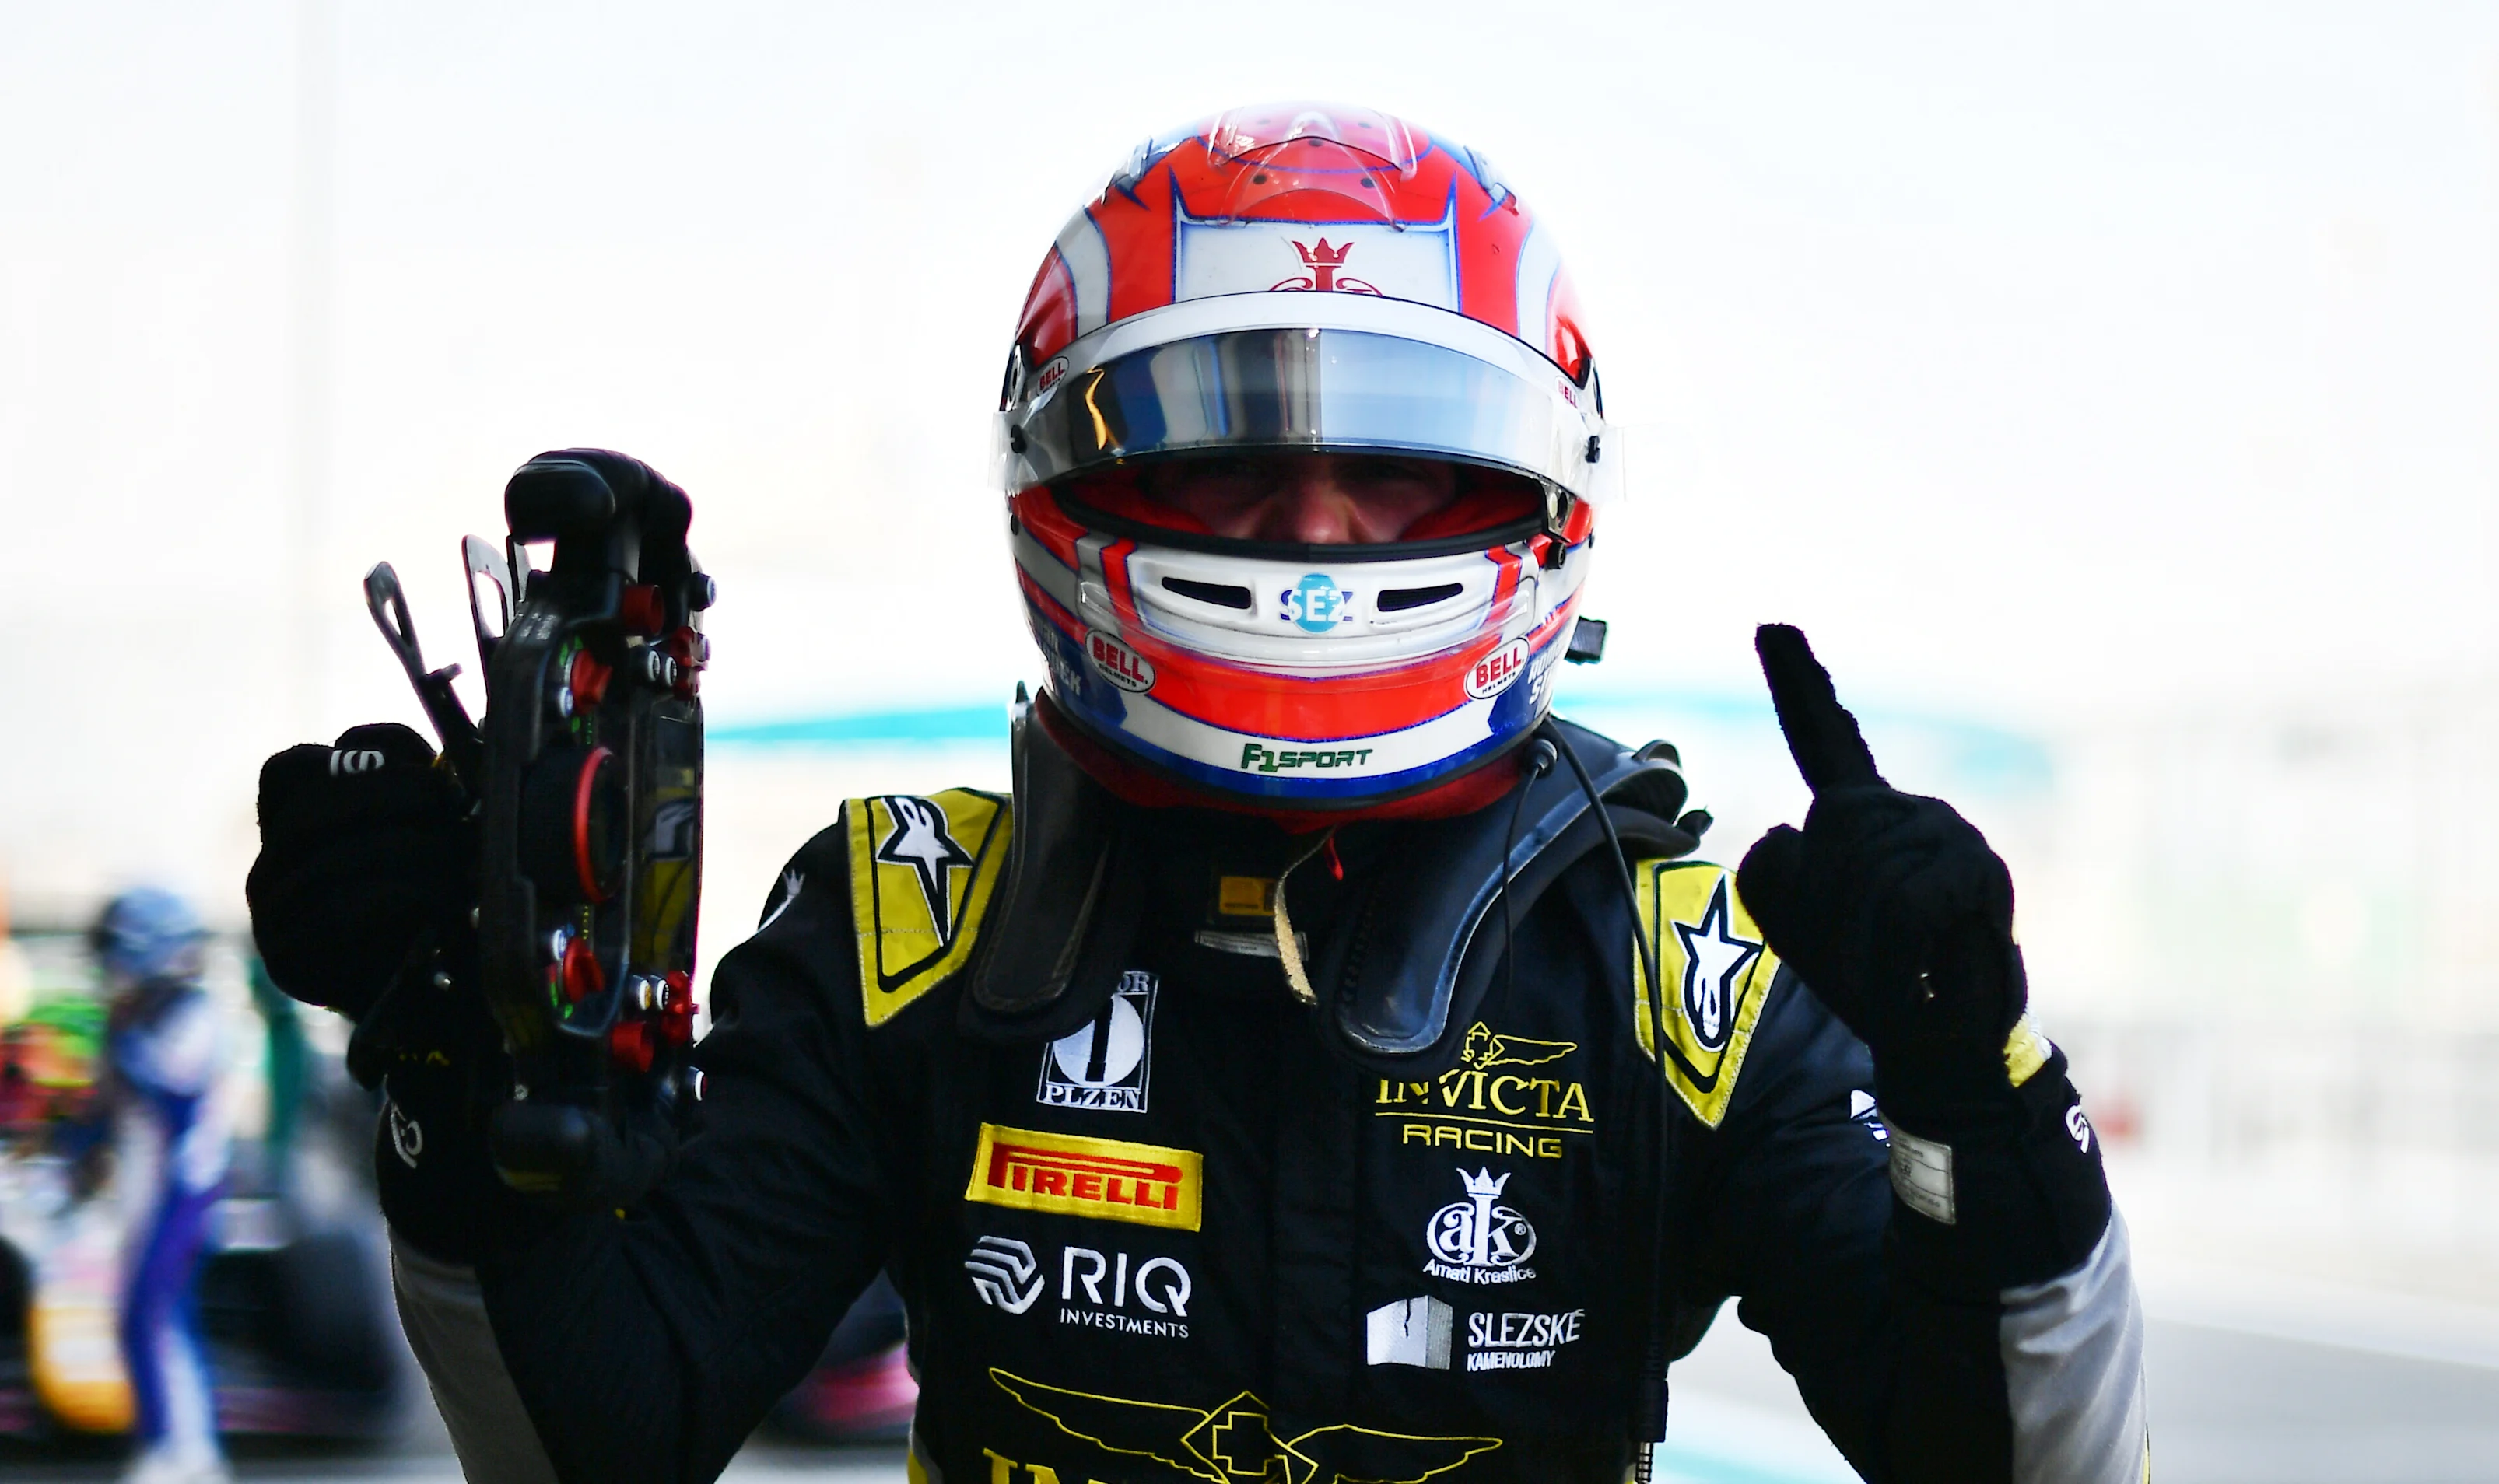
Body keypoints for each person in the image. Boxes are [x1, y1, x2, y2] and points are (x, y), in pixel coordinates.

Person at [246, 103, 2147, 1483]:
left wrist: (1976, 1097)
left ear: (1536, 495)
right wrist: (462, 1086)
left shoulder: (1675, 970)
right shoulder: (912, 923)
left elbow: (2025, 1471)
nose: (1315, 542)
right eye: (1232, 459)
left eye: (1393, 472)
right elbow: (600, 1434)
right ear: (1072, 476)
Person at [93, 887, 233, 1484]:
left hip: (183, 1188)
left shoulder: (194, 1014)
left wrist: (123, 1042)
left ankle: (179, 1451)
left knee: (151, 1314)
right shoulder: (139, 1015)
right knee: (152, 1315)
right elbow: (106, 1113)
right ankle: (179, 1447)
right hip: (145, 1187)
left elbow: (172, 1100)